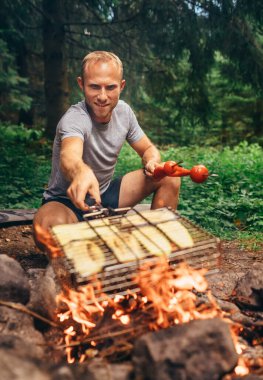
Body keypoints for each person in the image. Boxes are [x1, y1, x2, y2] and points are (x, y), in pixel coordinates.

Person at [33, 51, 180, 249]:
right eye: (94, 87)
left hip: (105, 197)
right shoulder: (75, 118)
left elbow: (148, 148)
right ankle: (84, 244)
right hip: (65, 202)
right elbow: (70, 157)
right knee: (50, 228)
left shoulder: (124, 113)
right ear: (81, 84)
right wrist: (81, 172)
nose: (102, 96)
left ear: (121, 86)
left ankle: (160, 249)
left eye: (110, 87)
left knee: (170, 177)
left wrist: (152, 161)